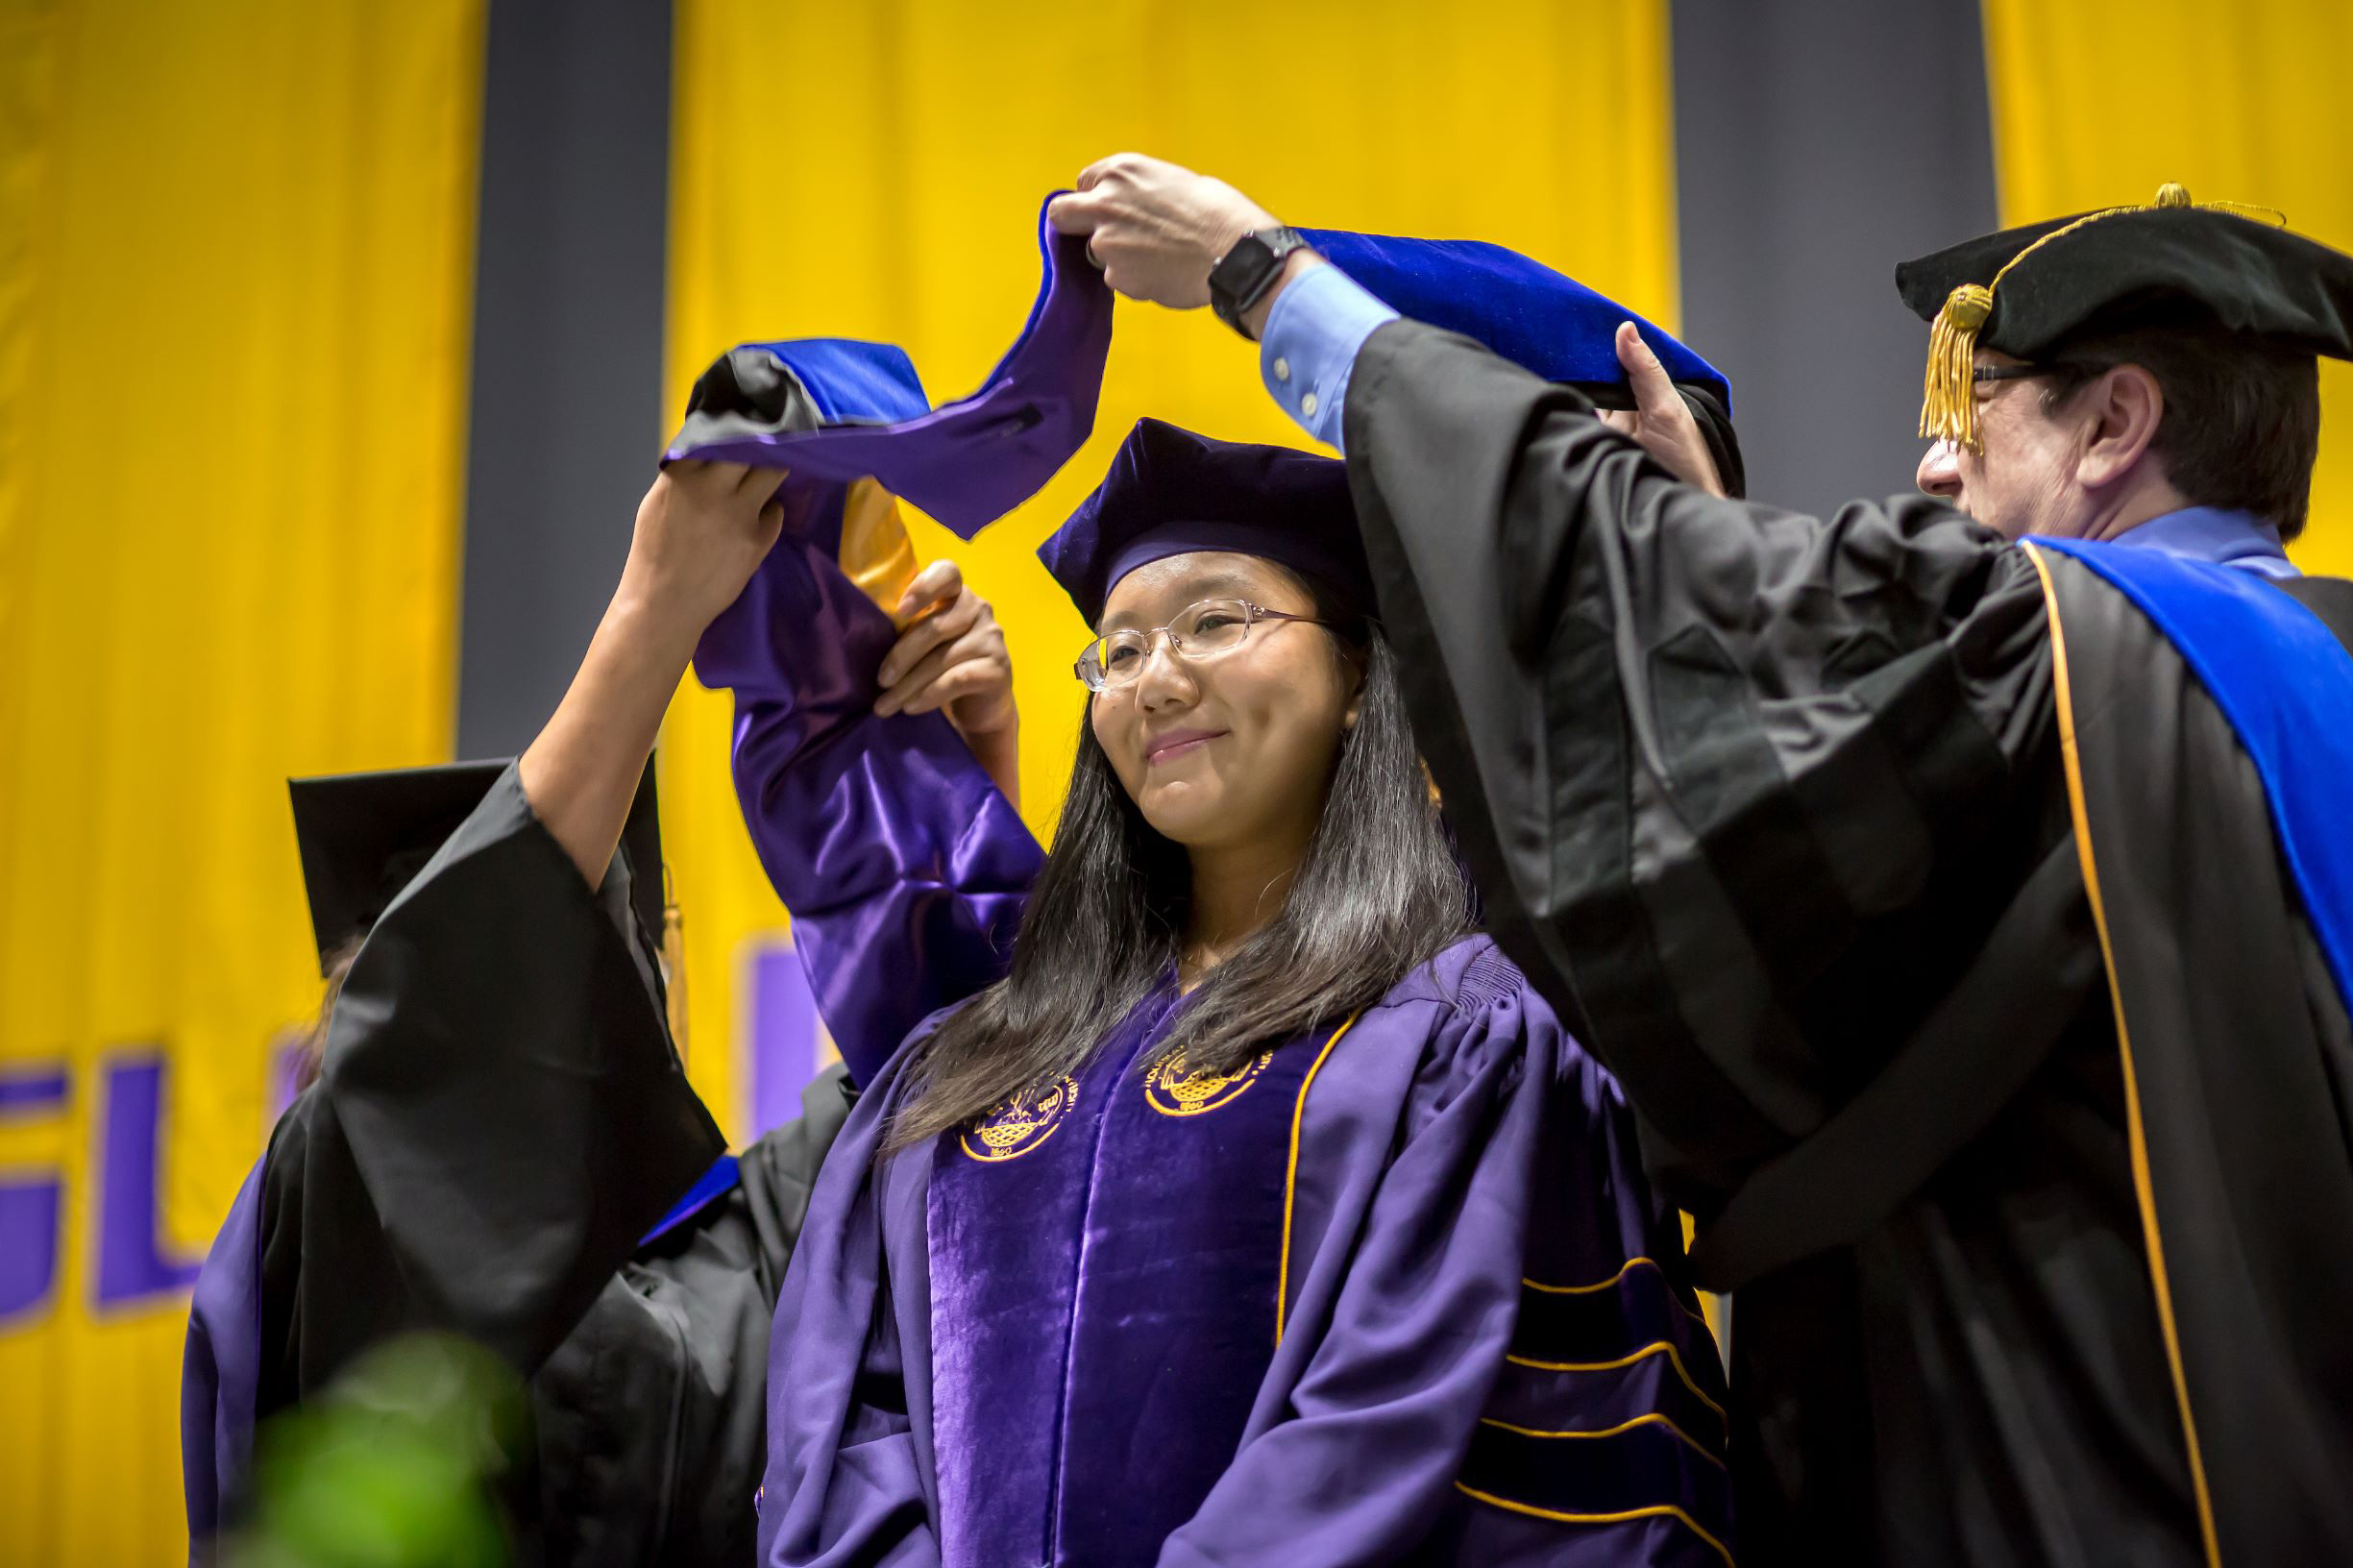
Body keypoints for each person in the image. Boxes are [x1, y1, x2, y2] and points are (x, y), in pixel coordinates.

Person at [1049, 158, 2353, 1564]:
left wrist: (1271, 283)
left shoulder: (2053, 647)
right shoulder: (2302, 670)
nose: (1930, 464)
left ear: (2113, 423)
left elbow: (1648, 602)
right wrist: (1705, 544)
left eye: (1970, 413)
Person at [748, 416, 1731, 1568]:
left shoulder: (1460, 1035)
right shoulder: (966, 1063)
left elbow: (1408, 1427)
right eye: (1116, 651)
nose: (1155, 680)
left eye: (1216, 620)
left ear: (1359, 676)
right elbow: (846, 1434)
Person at [182, 453, 1030, 1565]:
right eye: (568, 937)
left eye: (637, 941)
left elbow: (945, 1083)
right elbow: (429, 1084)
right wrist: (660, 606)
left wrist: (955, 779)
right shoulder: (333, 1209)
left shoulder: (756, 1233)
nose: (610, 977)